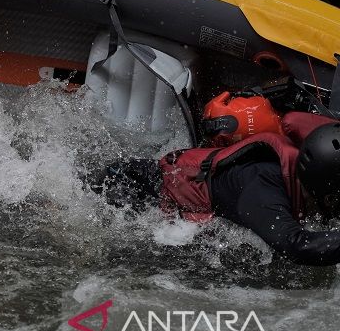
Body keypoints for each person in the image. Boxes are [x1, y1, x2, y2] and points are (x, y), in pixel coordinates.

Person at [90, 95, 340, 266]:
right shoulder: (263, 192)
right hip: (132, 189)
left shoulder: (318, 148)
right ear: (324, 192)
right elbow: (298, 246)